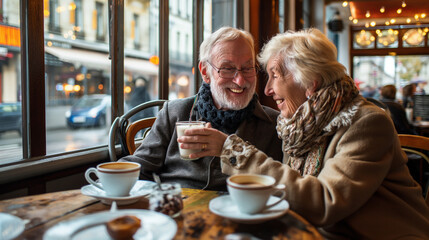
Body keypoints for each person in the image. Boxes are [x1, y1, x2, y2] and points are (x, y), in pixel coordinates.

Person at [178, 28, 429, 239]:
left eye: (275, 75)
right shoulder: (299, 126)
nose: (266, 89)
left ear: (310, 82)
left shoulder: (367, 123)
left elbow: (323, 203)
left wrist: (231, 150)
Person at [119, 27, 283, 191]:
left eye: (247, 68)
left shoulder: (276, 124)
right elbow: (140, 167)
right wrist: (107, 176)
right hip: (176, 207)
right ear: (205, 72)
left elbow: (282, 185)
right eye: (227, 69)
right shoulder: (175, 112)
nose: (240, 81)